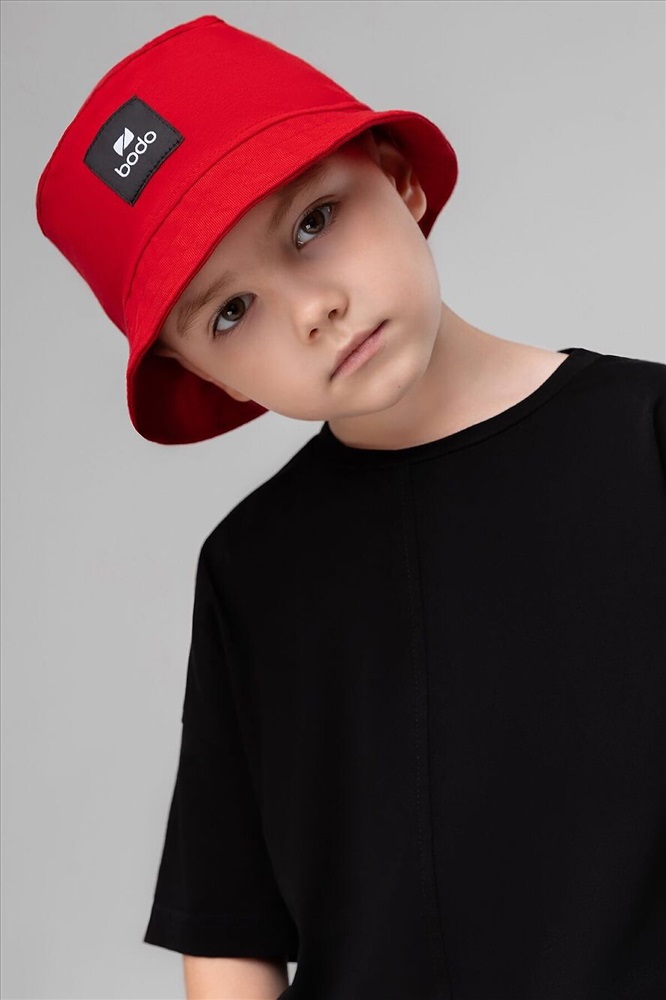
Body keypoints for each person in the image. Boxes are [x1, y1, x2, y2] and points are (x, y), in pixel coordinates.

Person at [35, 13, 666, 1000]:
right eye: (230, 312)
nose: (311, 310)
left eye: (313, 221)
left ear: (398, 177)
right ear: (206, 375)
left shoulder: (647, 442)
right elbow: (229, 927)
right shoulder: (253, 571)